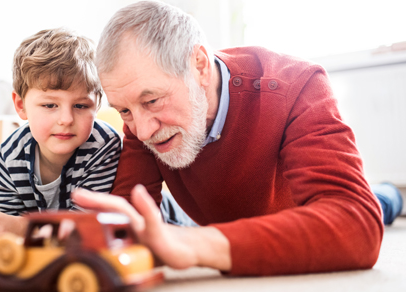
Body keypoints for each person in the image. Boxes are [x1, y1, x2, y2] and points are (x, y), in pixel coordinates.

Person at [71, 0, 400, 276]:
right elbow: (127, 222)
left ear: (199, 66)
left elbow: (356, 225)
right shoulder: (140, 113)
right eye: (124, 111)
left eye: (153, 101)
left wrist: (197, 244)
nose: (142, 131)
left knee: (378, 204)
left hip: (303, 219)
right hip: (226, 222)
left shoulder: (297, 85)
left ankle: (391, 194)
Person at [0, 28, 121, 248]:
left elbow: (89, 231)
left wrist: (21, 228)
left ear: (97, 105)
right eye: (50, 105)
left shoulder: (105, 146)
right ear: (21, 106)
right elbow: (7, 227)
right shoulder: (8, 155)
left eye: (81, 105)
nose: (66, 119)